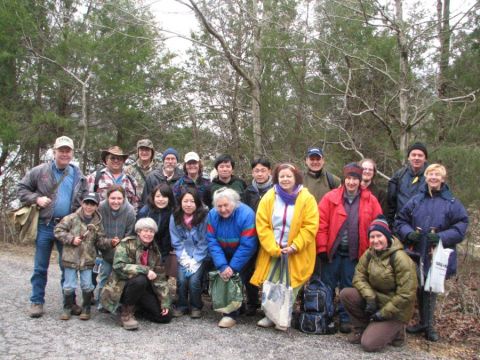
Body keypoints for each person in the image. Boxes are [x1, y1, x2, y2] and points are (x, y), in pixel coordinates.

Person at [394, 163, 468, 341]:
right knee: (416, 287)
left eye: (437, 175)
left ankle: (428, 326)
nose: (433, 178)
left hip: (437, 253)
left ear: (442, 179)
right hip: (416, 251)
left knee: (431, 288)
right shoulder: (416, 200)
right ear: (426, 177)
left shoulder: (451, 203)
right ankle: (411, 323)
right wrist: (408, 234)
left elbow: (461, 226)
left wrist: (442, 237)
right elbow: (400, 220)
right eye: (430, 174)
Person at [18, 136, 88, 318]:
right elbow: (22, 189)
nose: (64, 154)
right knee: (40, 267)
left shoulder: (79, 175)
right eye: (61, 150)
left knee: (68, 266)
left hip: (67, 228)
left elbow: (85, 199)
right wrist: (37, 199)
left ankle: (69, 302)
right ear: (54, 151)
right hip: (46, 225)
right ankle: (36, 301)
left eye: (68, 150)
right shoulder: (40, 171)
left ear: (72, 153)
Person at [251, 163, 319, 331]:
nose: (285, 179)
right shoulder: (269, 196)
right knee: (272, 282)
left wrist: (295, 246)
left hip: (296, 251)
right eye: (282, 176)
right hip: (274, 250)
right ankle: (270, 315)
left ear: (296, 178)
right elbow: (262, 224)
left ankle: (283, 316)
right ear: (276, 178)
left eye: (289, 176)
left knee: (291, 284)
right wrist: (272, 248)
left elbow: (310, 226)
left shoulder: (306, 198)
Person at [316, 162, 382, 333]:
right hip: (333, 252)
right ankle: (327, 315)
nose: (352, 182)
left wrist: (372, 251)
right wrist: (322, 248)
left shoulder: (370, 200)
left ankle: (346, 318)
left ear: (360, 181)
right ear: (344, 179)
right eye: (349, 178)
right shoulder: (331, 197)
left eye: (355, 179)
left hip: (356, 253)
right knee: (328, 285)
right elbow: (321, 224)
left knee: (350, 286)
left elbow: (378, 225)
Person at [340, 216, 418, 352]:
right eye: (372, 237)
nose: (375, 240)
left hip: (396, 310)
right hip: (377, 301)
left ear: (387, 236)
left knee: (369, 344)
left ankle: (398, 331)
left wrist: (383, 313)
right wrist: (370, 297)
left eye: (379, 236)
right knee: (347, 294)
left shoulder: (400, 259)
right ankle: (362, 328)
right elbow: (358, 276)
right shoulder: (370, 254)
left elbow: (406, 295)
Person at [100, 218, 172, 330]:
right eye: (145, 230)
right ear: (138, 232)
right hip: (122, 287)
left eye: (151, 231)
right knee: (140, 279)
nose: (148, 234)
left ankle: (138, 309)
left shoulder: (155, 251)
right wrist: (145, 270)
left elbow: (160, 279)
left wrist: (165, 302)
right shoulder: (126, 244)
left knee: (165, 317)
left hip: (142, 289)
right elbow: (119, 266)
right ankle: (126, 313)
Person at [206, 187, 258, 328]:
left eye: (226, 205)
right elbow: (211, 240)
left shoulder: (247, 214)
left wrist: (233, 266)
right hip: (223, 251)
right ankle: (231, 312)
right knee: (225, 276)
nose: (222, 209)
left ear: (234, 203)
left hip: (245, 252)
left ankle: (237, 311)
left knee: (238, 277)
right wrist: (222, 265)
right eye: (219, 206)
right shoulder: (212, 215)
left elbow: (248, 245)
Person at [54, 193, 109, 321]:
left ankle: (86, 308)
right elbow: (58, 230)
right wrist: (71, 239)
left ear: (97, 206)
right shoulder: (71, 218)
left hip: (88, 259)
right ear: (82, 203)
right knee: (69, 285)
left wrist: (109, 242)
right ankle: (67, 308)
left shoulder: (98, 223)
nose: (89, 207)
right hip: (70, 258)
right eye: (87, 203)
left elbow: (100, 240)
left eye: (92, 204)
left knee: (87, 285)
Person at [242, 157, 274, 315]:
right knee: (249, 269)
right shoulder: (248, 191)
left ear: (269, 171)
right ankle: (252, 301)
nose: (260, 174)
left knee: (269, 270)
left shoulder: (277, 189)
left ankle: (268, 305)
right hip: (251, 236)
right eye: (256, 171)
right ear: (252, 172)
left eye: (263, 170)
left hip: (271, 237)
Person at [170, 189, 209, 318]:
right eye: (185, 201)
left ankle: (196, 306)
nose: (188, 204)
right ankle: (182, 305)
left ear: (197, 203)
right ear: (180, 202)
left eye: (192, 201)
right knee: (181, 280)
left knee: (194, 281)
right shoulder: (175, 216)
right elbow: (176, 240)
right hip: (183, 255)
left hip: (199, 255)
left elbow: (204, 240)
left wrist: (195, 259)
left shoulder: (204, 216)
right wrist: (184, 258)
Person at [96, 185, 136, 303]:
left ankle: (117, 302)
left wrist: (121, 244)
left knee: (119, 278)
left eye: (119, 198)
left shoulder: (130, 211)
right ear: (108, 197)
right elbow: (98, 232)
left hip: (122, 251)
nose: (116, 201)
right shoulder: (101, 208)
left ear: (124, 198)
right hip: (105, 248)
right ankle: (101, 302)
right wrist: (108, 243)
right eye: (113, 198)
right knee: (105, 275)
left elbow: (130, 234)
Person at [386, 142, 428, 226]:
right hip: (401, 225)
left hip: (424, 225)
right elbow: (391, 203)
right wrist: (389, 224)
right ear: (408, 157)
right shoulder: (399, 175)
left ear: (425, 158)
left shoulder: (432, 176)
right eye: (413, 155)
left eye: (420, 155)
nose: (416, 158)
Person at [137, 184, 175, 263]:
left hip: (164, 250)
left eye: (164, 196)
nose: (161, 199)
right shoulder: (145, 212)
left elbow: (168, 237)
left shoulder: (171, 212)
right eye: (158, 196)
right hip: (145, 249)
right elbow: (138, 235)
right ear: (153, 197)